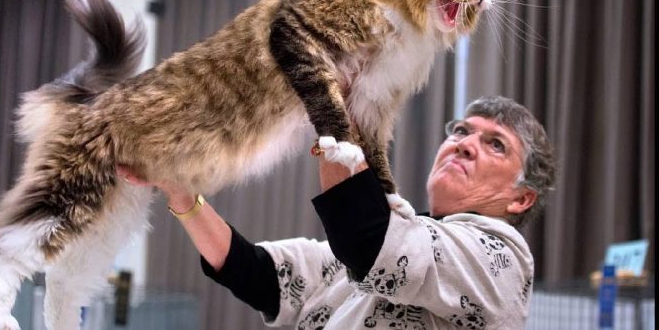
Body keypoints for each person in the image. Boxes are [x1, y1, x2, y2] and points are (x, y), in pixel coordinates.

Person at [118, 95, 556, 329]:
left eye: (495, 144)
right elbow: (256, 274)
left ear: (521, 198)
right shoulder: (409, 240)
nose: (464, 142)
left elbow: (369, 240)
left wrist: (334, 100)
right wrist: (181, 195)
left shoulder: (502, 258)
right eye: (461, 130)